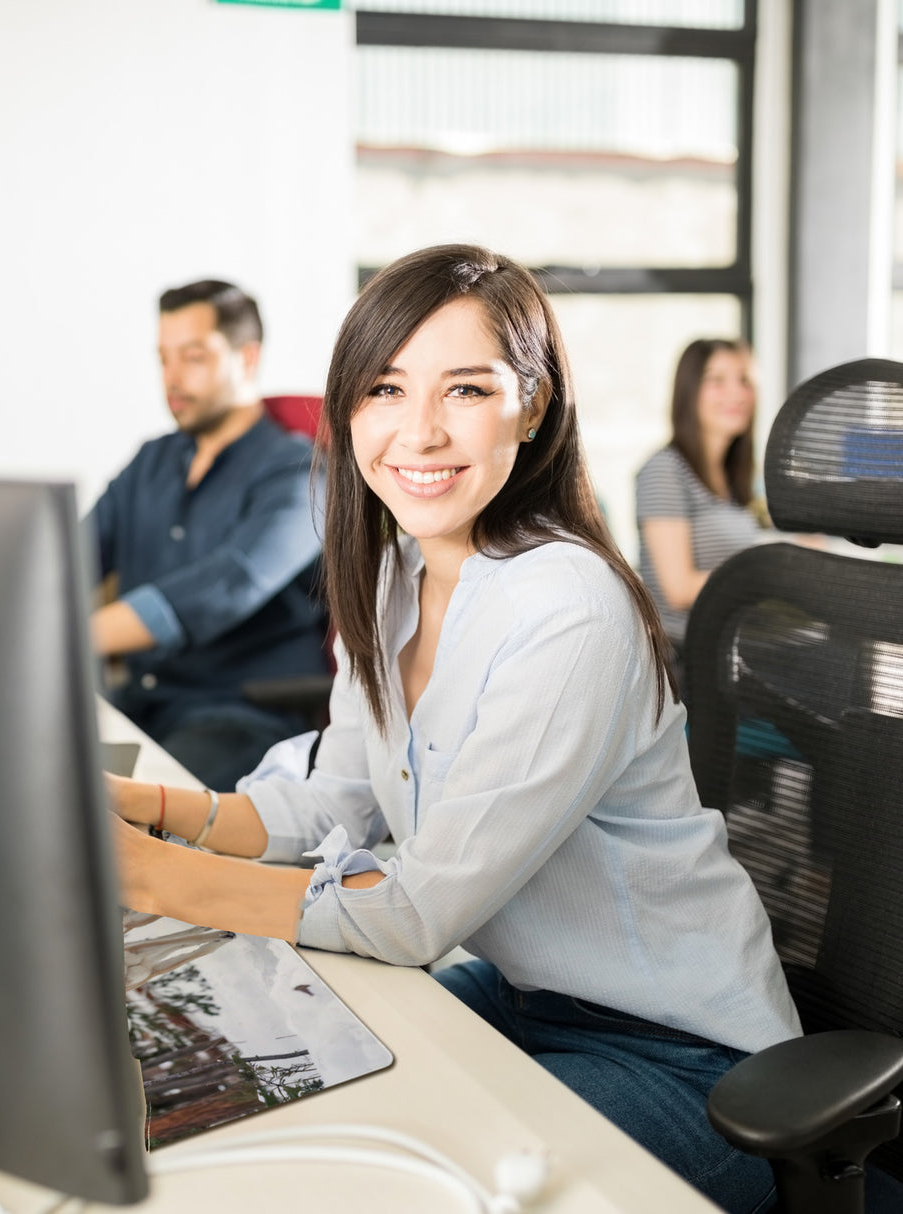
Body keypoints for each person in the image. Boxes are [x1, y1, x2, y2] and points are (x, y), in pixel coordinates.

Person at [107, 245, 800, 1214]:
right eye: (384, 388)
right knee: (261, 1100)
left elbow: (413, 909)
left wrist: (136, 874)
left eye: (465, 388)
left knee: (401, 1193)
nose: (418, 430)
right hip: (520, 996)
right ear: (346, 408)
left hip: (683, 1056)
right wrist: (131, 806)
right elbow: (330, 796)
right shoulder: (393, 571)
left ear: (532, 404)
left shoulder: (569, 606)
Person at [87, 279, 328, 790]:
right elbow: (64, 561)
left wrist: (70, 636)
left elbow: (229, 585)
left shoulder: (301, 473)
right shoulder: (150, 461)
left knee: (122, 818)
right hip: (143, 702)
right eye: (163, 359)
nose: (171, 378)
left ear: (246, 358)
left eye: (192, 357)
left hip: (243, 714)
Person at [635, 338, 771, 679]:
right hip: (687, 659)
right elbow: (678, 589)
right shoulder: (664, 470)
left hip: (731, 649)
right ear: (689, 390)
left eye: (744, 380)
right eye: (717, 380)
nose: (736, 393)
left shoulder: (733, 479)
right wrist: (774, 569)